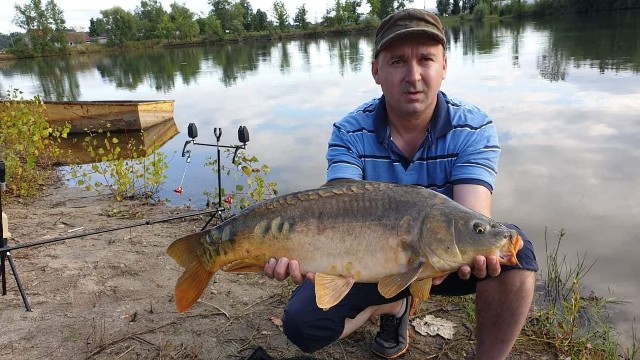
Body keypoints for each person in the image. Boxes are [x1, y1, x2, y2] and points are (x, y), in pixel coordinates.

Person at [264, 8, 538, 359]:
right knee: (303, 325)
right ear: (376, 71)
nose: (413, 76)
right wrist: (303, 253)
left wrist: (480, 249)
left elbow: (472, 214)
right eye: (397, 62)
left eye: (426, 59)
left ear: (444, 66)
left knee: (518, 253)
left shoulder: (473, 128)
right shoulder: (349, 131)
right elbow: (335, 208)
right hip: (367, 261)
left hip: (442, 260)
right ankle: (392, 307)